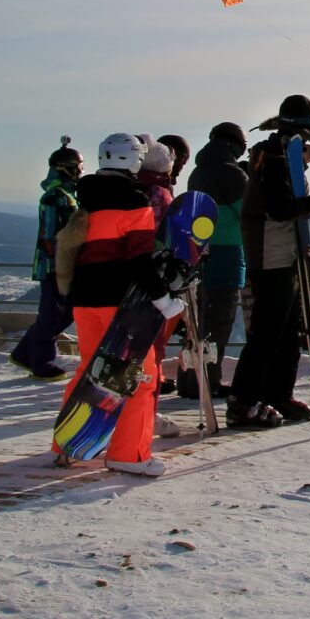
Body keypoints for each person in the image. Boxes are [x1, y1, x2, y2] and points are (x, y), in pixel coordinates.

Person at [52, 133, 186, 477]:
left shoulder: (86, 198)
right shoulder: (135, 202)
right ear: (135, 161)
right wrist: (164, 299)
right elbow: (138, 260)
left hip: (85, 300)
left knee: (88, 371)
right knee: (139, 376)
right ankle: (130, 453)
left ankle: (68, 444)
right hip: (119, 303)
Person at [228, 95, 310, 428]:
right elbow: (281, 208)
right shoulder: (275, 159)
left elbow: (286, 197)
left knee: (287, 330)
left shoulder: (274, 154)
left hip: (281, 254)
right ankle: (245, 402)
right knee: (269, 332)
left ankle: (275, 395)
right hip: (272, 255)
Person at [182, 122, 250, 398]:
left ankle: (189, 381)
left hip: (198, 253)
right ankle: (207, 383)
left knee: (199, 321)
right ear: (236, 145)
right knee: (220, 321)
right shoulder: (233, 174)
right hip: (228, 254)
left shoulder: (198, 172)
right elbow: (248, 215)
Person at [9, 138, 81, 380]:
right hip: (54, 266)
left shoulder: (69, 195)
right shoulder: (53, 197)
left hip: (66, 265)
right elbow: (49, 235)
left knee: (65, 313)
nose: (81, 171)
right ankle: (42, 361)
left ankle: (23, 353)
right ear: (66, 168)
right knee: (52, 313)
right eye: (78, 166)